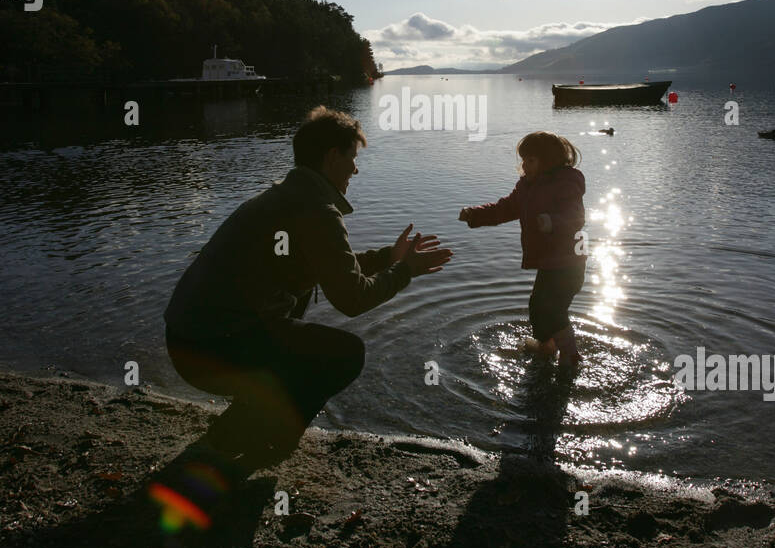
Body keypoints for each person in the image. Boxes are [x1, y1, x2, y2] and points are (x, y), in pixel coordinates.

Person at [162, 106, 451, 475]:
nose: (356, 169)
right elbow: (352, 299)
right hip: (211, 349)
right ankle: (255, 444)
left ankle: (232, 434)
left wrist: (386, 258)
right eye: (352, 158)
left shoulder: (287, 196)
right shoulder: (316, 208)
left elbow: (330, 266)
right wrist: (404, 271)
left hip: (187, 340)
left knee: (297, 323)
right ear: (333, 156)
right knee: (345, 353)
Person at [459, 131, 586, 368]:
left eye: (531, 160)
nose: (524, 165)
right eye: (524, 159)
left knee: (550, 308)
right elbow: (504, 209)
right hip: (549, 263)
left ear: (548, 160)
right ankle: (547, 346)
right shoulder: (527, 186)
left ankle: (570, 355)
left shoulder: (567, 183)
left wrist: (551, 222)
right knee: (538, 307)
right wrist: (475, 214)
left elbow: (576, 217)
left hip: (569, 262)